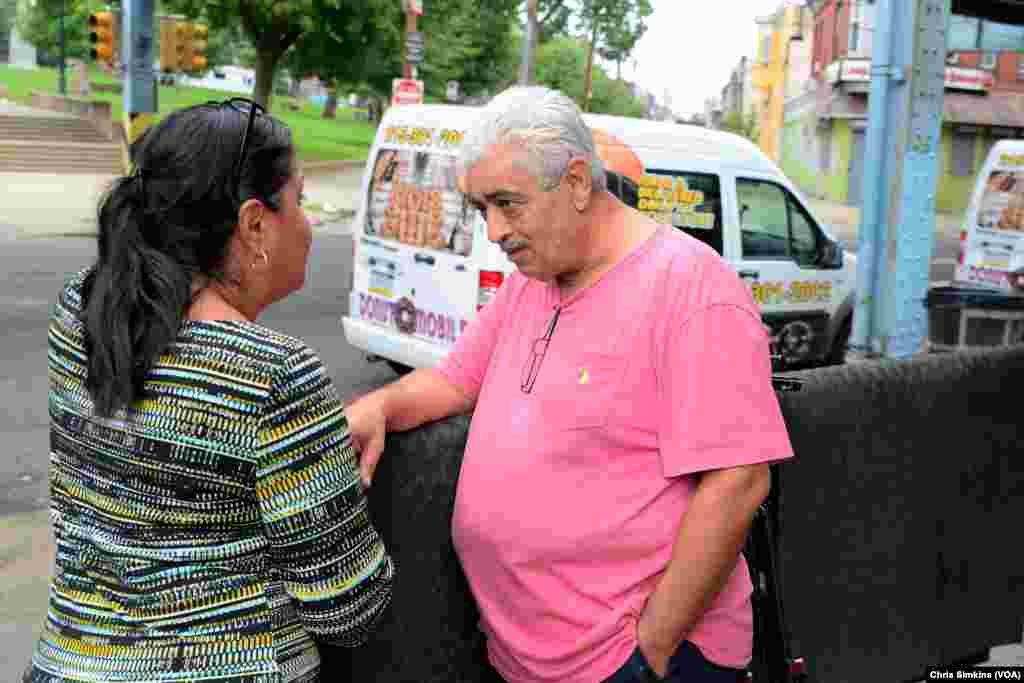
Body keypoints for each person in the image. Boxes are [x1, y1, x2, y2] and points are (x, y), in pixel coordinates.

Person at [344, 86, 794, 683]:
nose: (494, 230)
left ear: (578, 182)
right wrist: (380, 405)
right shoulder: (532, 281)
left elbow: (737, 482)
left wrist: (652, 649)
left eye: (508, 203)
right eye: (481, 208)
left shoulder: (693, 289)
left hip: (633, 661)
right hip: (529, 656)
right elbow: (454, 380)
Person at [24, 99, 393, 683]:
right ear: (254, 224)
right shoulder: (276, 375)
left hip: (68, 666)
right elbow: (347, 608)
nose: (308, 225)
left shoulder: (81, 311)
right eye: (299, 201)